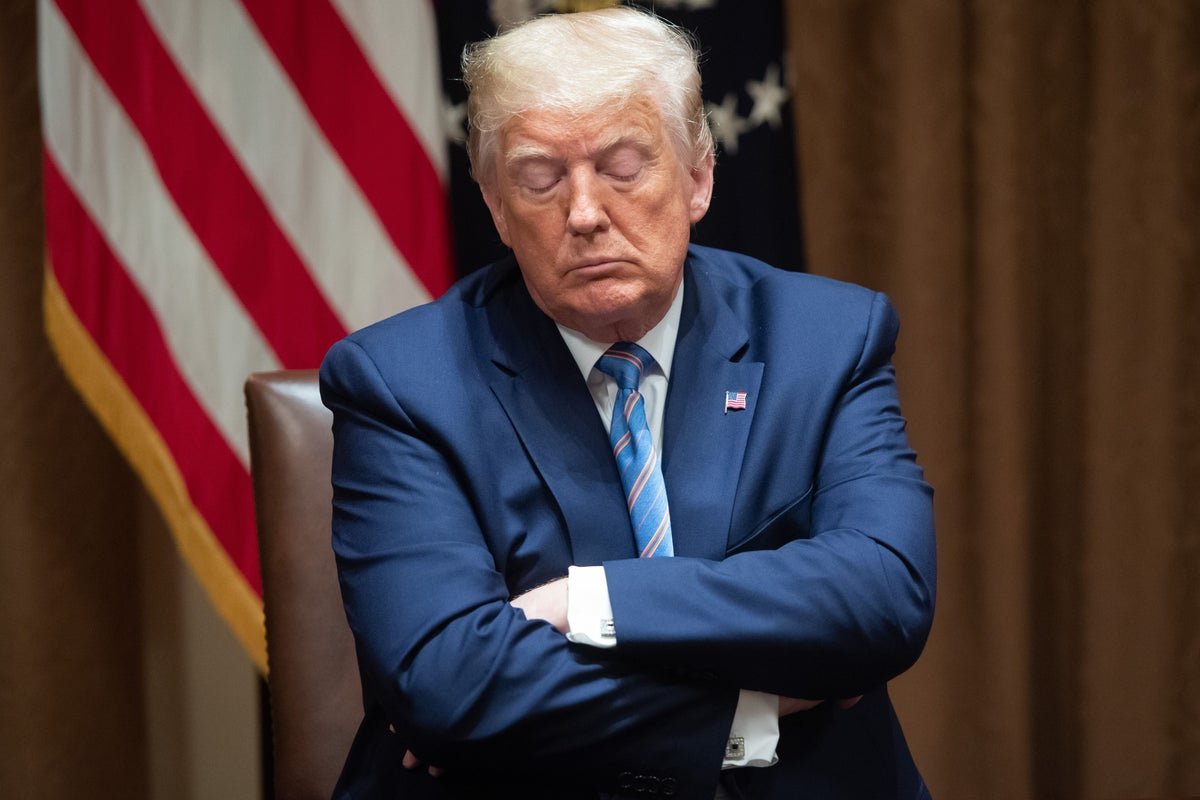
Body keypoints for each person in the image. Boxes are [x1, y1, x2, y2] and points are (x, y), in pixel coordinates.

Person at [320, 7, 935, 799]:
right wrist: (754, 708)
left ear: (697, 177)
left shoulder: (828, 338)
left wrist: (588, 601)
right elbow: (449, 684)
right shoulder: (399, 382)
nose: (584, 213)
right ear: (496, 206)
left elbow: (882, 595)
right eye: (540, 178)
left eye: (622, 166)